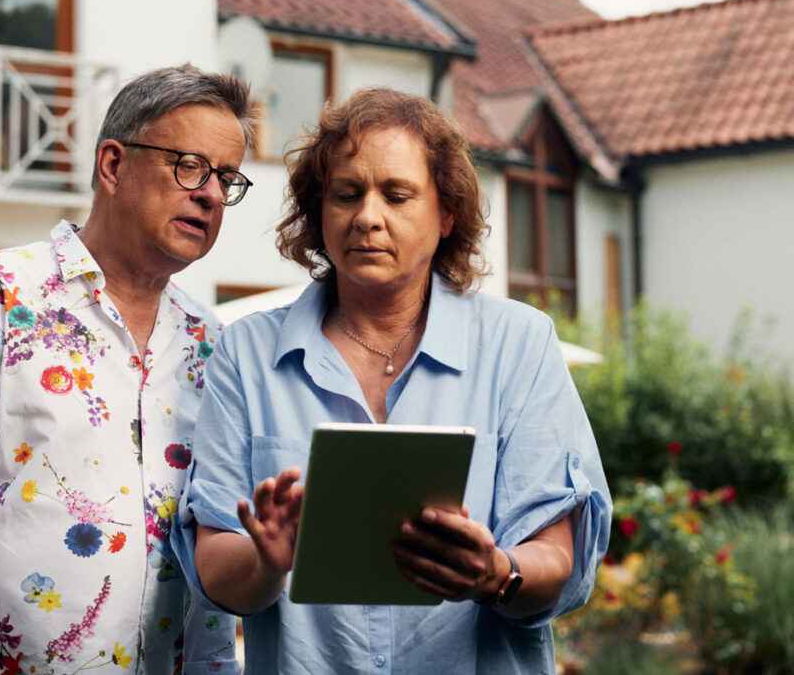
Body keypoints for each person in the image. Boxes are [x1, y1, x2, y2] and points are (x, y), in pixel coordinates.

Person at [173, 88, 612, 673]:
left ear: (446, 213)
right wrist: (266, 561)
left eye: (397, 195)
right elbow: (215, 567)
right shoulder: (247, 352)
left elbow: (556, 552)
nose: (367, 217)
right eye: (346, 194)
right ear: (318, 211)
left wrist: (496, 574)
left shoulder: (519, 345)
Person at [0, 64, 256, 674]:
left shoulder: (213, 344)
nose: (211, 193)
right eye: (189, 166)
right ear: (112, 165)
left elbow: (207, 550)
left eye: (226, 178)